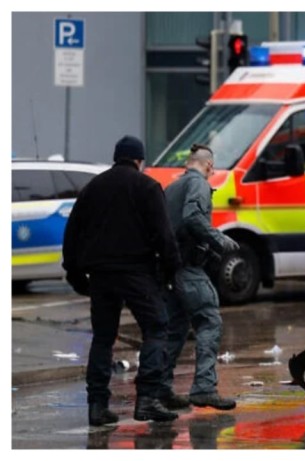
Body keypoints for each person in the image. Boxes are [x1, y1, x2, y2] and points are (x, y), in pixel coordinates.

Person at [62, 135, 182, 426]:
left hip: (101, 275)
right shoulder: (146, 187)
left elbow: (73, 233)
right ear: (139, 160)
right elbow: (164, 235)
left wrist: (76, 275)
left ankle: (97, 406)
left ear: (116, 157)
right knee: (156, 327)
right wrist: (171, 272)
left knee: (103, 338)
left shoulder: (93, 188)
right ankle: (148, 399)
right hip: (136, 272)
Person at [162, 143, 240, 410]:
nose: (212, 171)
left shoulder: (172, 188)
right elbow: (193, 216)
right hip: (189, 269)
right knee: (210, 321)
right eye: (212, 167)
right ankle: (204, 387)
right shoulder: (199, 185)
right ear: (208, 165)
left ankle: (160, 390)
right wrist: (219, 239)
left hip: (170, 271)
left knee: (177, 329)